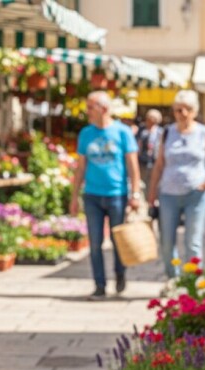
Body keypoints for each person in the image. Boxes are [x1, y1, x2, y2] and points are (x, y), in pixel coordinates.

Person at [69, 91, 142, 300]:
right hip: (92, 194)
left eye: (90, 107)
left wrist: (135, 193)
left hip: (117, 194)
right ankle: (99, 284)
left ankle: (120, 273)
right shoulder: (86, 133)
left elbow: (133, 165)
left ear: (104, 109)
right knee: (95, 242)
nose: (87, 112)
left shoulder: (122, 132)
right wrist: (75, 196)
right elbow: (81, 167)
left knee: (119, 240)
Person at [147, 90, 205, 278]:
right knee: (166, 241)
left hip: (195, 193)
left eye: (187, 109)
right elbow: (159, 165)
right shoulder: (167, 132)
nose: (183, 113)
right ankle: (173, 278)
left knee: (193, 241)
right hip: (168, 193)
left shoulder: (204, 132)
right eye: (179, 110)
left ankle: (194, 283)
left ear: (194, 111)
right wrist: (152, 193)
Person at [136, 109, 163, 198]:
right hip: (142, 162)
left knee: (154, 183)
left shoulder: (160, 131)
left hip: (155, 161)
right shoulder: (141, 130)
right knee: (142, 184)